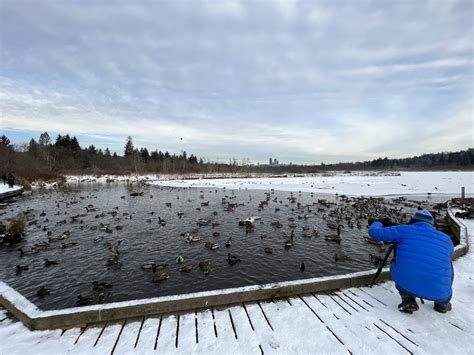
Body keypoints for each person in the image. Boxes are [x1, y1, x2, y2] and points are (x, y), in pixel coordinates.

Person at [368, 210, 454, 314]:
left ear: (412, 221)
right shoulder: (446, 239)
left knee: (395, 262)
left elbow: (374, 232)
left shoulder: (403, 230)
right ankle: (442, 305)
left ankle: (407, 298)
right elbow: (449, 254)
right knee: (448, 264)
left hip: (406, 284)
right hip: (440, 293)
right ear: (432, 224)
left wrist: (378, 222)